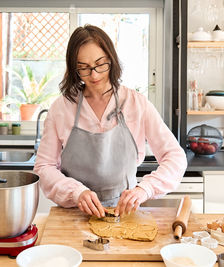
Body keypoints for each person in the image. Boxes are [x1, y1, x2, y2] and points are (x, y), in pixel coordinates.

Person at [33, 25, 187, 218]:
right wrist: (76, 192)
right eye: (84, 68)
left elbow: (175, 157)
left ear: (111, 60)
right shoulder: (61, 108)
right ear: (74, 69)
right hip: (73, 214)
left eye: (100, 64)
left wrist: (144, 189)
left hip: (124, 214)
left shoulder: (136, 104)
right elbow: (43, 167)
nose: (94, 75)